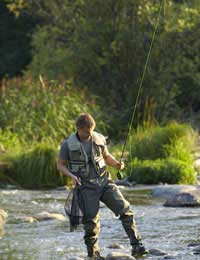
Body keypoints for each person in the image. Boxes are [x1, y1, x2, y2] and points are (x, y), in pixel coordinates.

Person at [57, 113, 148, 260]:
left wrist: (117, 165)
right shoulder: (67, 145)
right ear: (79, 128)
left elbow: (106, 157)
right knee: (91, 223)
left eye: (92, 130)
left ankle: (137, 245)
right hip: (85, 187)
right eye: (87, 131)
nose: (90, 133)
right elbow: (60, 165)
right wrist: (72, 176)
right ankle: (93, 254)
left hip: (105, 183)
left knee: (125, 210)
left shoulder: (98, 138)